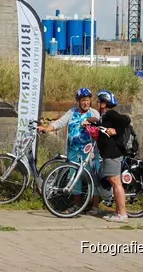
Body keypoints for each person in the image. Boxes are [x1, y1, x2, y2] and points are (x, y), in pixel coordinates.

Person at [38, 87, 102, 215]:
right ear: (78, 101)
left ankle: (95, 206)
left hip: (89, 152)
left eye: (88, 100)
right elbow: (60, 123)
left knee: (93, 178)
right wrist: (47, 128)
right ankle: (77, 205)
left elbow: (99, 123)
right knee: (74, 178)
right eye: (83, 100)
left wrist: (90, 121)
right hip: (74, 151)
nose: (86, 103)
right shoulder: (72, 112)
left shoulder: (93, 113)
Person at [86, 89, 130, 223]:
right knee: (114, 182)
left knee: (116, 183)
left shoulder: (111, 114)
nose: (98, 104)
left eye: (99, 102)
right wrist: (93, 122)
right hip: (109, 154)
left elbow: (125, 120)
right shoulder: (105, 117)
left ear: (104, 104)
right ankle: (118, 212)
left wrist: (115, 130)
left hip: (113, 153)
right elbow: (103, 127)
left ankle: (122, 215)